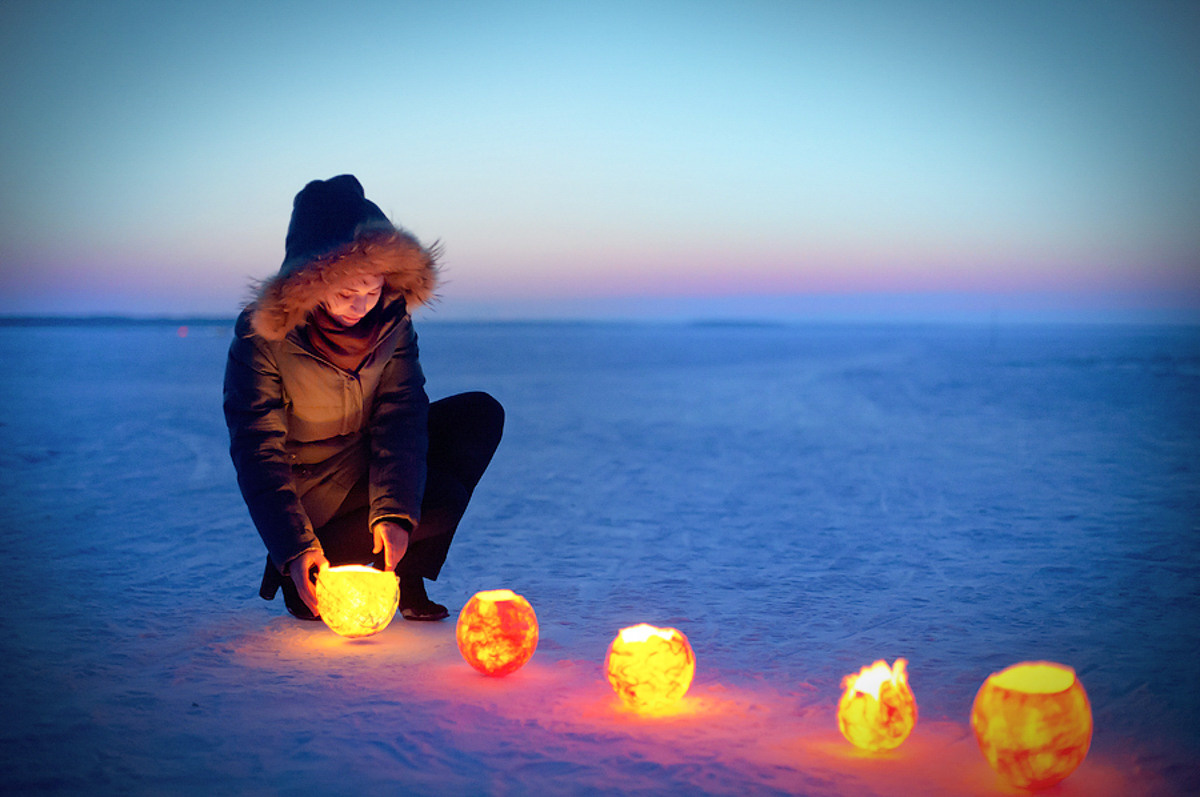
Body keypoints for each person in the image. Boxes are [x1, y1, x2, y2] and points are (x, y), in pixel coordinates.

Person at [223, 174, 503, 622]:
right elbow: (258, 451)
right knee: (435, 501)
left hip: (365, 469)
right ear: (309, 283)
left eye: (372, 291)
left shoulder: (392, 324)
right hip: (313, 505)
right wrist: (294, 549)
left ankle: (403, 576)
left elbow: (401, 419)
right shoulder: (265, 339)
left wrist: (393, 513)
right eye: (346, 293)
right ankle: (309, 573)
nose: (361, 306)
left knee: (477, 417)